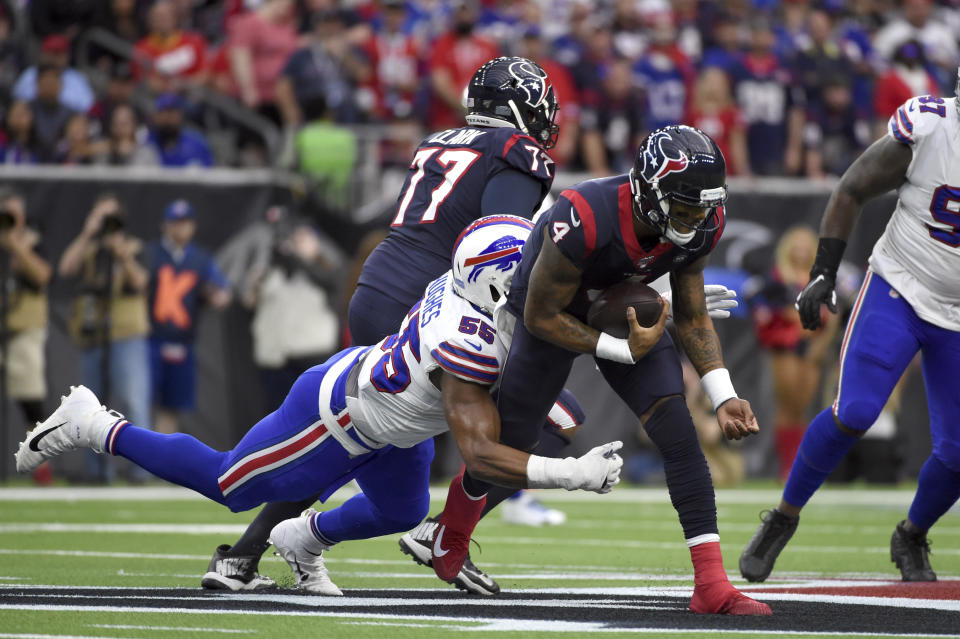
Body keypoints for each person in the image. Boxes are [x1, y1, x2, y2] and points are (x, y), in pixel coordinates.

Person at [15, 216, 625, 596]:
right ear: (495, 284)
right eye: (526, 275)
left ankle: (301, 540)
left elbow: (548, 319)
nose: (541, 283)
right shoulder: (463, 341)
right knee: (227, 483)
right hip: (337, 414)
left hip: (399, 423)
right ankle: (95, 423)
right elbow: (482, 452)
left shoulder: (478, 298)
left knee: (403, 508)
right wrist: (568, 474)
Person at [204, 55, 564, 596]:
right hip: (427, 303)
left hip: (379, 288)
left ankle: (247, 555)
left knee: (354, 439)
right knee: (553, 413)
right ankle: (446, 534)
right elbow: (502, 242)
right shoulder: (516, 154)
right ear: (513, 108)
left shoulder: (440, 140)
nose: (546, 118)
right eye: (538, 105)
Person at [409, 125, 770, 616]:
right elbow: (541, 315)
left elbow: (690, 313)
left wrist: (722, 392)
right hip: (546, 313)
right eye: (684, 208)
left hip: (622, 312)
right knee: (510, 446)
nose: (697, 218)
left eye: (703, 207)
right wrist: (621, 349)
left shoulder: (702, 221)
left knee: (680, 433)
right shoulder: (583, 215)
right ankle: (450, 529)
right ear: (649, 191)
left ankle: (711, 584)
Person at [739, 80, 960, 584]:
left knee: (958, 453)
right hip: (899, 286)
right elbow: (852, 188)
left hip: (958, 313)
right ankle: (784, 516)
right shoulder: (930, 129)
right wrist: (822, 272)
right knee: (857, 410)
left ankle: (911, 534)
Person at [58, 193, 151, 483]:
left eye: (112, 217)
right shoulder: (90, 249)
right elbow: (66, 269)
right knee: (91, 406)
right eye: (102, 217)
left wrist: (120, 253)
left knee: (133, 402)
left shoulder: (134, 247)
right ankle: (99, 472)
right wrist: (88, 234)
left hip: (127, 334)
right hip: (94, 334)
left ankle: (140, 471)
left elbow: (142, 282)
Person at [747, 226, 837, 480]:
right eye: (795, 245)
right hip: (785, 346)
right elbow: (757, 300)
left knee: (802, 406)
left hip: (812, 346)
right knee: (787, 406)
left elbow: (833, 311)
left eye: (805, 245)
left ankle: (801, 463)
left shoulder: (820, 278)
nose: (800, 250)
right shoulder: (776, 278)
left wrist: (821, 338)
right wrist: (782, 316)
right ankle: (788, 466)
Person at [145, 199, 231, 435]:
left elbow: (222, 291)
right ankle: (140, 466)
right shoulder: (151, 253)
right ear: (165, 225)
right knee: (143, 401)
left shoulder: (200, 259)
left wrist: (216, 295)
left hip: (183, 341)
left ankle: (161, 463)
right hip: (151, 339)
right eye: (175, 223)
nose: (180, 229)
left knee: (172, 407)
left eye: (185, 223)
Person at [0, 187, 52, 484]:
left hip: (24, 329)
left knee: (30, 399)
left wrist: (17, 245)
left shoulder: (33, 241)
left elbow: (44, 275)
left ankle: (41, 467)